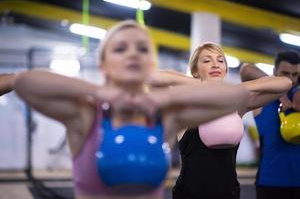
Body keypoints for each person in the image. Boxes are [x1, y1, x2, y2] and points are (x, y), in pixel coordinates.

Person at [13, 21, 251, 199]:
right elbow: (25, 82)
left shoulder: (165, 117)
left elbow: (235, 96)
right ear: (103, 64)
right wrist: (99, 92)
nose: (132, 53)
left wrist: (160, 99)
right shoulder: (86, 115)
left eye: (142, 48)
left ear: (150, 65)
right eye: (120, 48)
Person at [149, 43, 292, 199]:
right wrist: (203, 85)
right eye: (207, 60)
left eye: (220, 60)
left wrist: (239, 88)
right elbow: (152, 78)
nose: (215, 64)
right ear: (195, 71)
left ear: (225, 69)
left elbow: (285, 83)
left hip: (228, 194)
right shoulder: (184, 105)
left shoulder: (237, 104)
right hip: (189, 194)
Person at [240, 50, 300, 199]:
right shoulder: (263, 97)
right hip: (270, 184)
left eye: (295, 75)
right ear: (274, 71)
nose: (291, 80)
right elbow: (246, 70)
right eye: (285, 73)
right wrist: (281, 92)